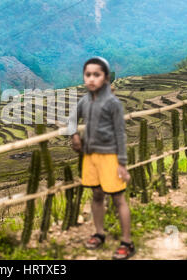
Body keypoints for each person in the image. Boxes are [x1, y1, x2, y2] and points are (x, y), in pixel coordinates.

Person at [67, 56, 135, 260]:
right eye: (88, 74)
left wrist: (122, 164)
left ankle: (127, 242)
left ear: (105, 78)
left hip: (110, 156)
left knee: (118, 198)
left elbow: (120, 133)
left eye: (96, 74)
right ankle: (99, 233)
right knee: (96, 195)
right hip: (90, 156)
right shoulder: (85, 100)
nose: (91, 79)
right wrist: (75, 134)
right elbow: (71, 118)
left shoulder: (112, 103)